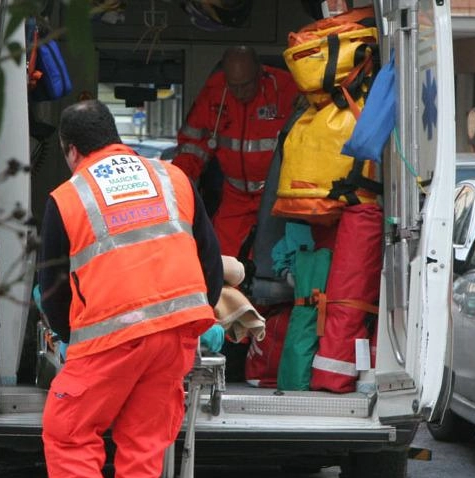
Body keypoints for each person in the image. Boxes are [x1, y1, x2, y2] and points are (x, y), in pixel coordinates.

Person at [38, 100, 223, 478]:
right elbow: (211, 261)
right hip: (173, 338)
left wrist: (69, 338)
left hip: (109, 339)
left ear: (71, 150)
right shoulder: (173, 178)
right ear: (115, 137)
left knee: (69, 434)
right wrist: (192, 327)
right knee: (143, 445)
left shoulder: (68, 198)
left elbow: (53, 288)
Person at [172, 46, 298, 257]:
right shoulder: (215, 91)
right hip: (235, 195)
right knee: (220, 256)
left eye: (246, 85)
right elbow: (193, 146)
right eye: (234, 86)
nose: (240, 93)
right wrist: (177, 189)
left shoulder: (287, 88)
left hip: (273, 194)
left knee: (270, 256)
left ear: (260, 72)